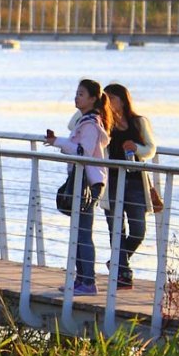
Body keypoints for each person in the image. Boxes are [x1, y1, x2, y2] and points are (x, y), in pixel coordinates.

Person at [45, 78, 113, 295]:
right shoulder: (85, 121)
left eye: (81, 94)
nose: (76, 97)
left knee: (83, 232)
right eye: (76, 93)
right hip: (84, 180)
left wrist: (59, 142)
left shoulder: (91, 124)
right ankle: (81, 279)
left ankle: (88, 282)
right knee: (78, 231)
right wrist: (58, 141)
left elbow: (83, 152)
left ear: (93, 99)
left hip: (89, 183)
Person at [102, 82, 156, 289]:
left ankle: (116, 263)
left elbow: (150, 149)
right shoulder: (102, 122)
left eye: (112, 98)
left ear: (123, 100)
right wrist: (94, 107)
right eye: (105, 98)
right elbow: (73, 125)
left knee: (138, 230)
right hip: (111, 181)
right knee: (116, 228)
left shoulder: (138, 122)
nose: (108, 102)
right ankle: (123, 272)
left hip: (135, 181)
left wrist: (136, 148)